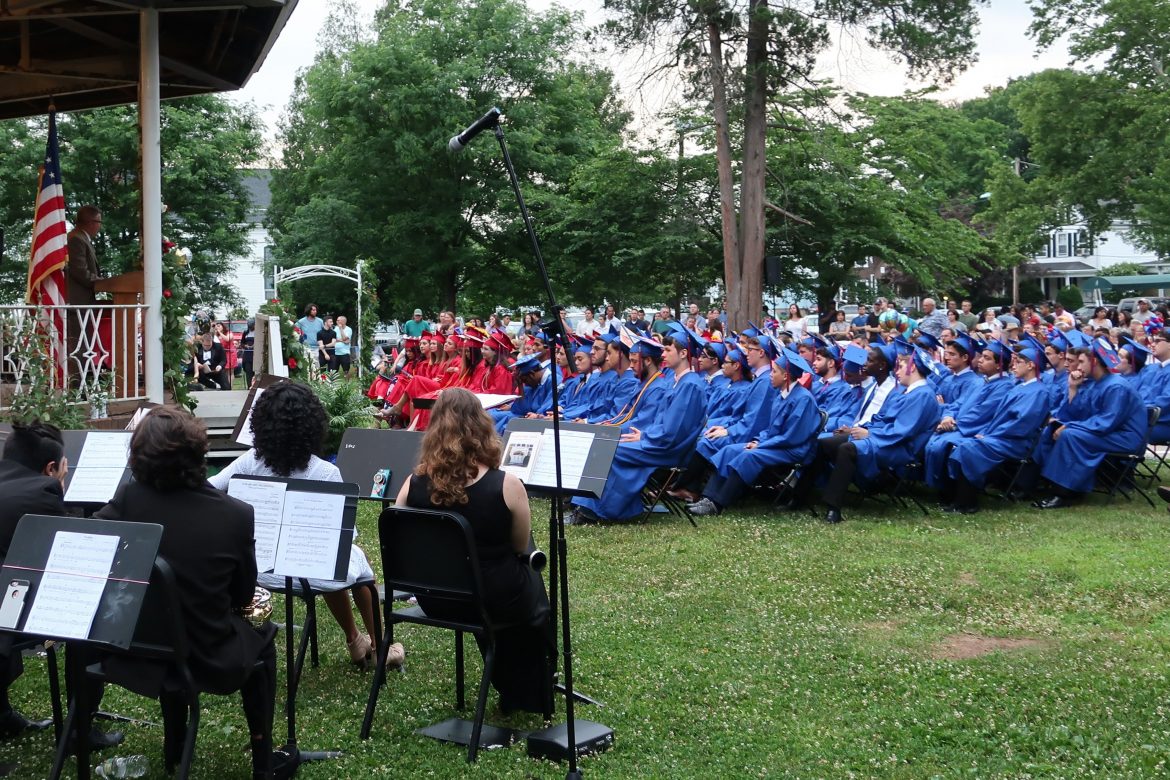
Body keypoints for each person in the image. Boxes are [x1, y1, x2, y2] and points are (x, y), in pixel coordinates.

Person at [94, 409, 276, 777]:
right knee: (265, 640)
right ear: (199, 452)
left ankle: (175, 743)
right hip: (204, 656)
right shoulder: (236, 514)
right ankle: (263, 754)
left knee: (171, 624)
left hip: (134, 651)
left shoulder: (127, 499)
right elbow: (243, 597)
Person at [209, 383, 398, 669]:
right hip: (310, 571)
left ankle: (355, 639)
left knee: (335, 559)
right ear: (312, 424)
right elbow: (344, 541)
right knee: (353, 559)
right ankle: (379, 643)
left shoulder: (248, 463)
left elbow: (210, 489)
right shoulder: (326, 472)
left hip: (258, 572)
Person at [394, 389, 551, 713]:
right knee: (527, 563)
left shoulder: (412, 483)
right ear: (482, 427)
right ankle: (532, 681)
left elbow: (400, 532)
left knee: (498, 572)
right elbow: (520, 546)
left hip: (436, 598)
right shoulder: (506, 484)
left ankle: (517, 678)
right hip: (491, 600)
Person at [568, 326, 707, 523]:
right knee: (606, 446)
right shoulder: (677, 382)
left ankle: (596, 511)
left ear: (684, 353)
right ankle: (589, 507)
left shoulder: (690, 385)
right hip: (658, 441)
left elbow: (674, 430)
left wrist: (644, 436)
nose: (663, 354)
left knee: (611, 450)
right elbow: (662, 422)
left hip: (668, 448)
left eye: (668, 350)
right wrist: (644, 434)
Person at [0, 425, 67, 742]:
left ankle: (2, 715)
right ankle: (79, 729)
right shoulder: (43, 491)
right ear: (51, 468)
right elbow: (65, 554)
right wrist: (59, 488)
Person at [295, 304, 324, 369]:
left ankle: (316, 379)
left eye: (316, 310)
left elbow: (324, 332)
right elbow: (294, 330)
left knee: (316, 367)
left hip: (317, 348)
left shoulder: (320, 321)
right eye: (313, 310)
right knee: (307, 367)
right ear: (309, 310)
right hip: (305, 348)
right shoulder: (301, 321)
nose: (315, 311)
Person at [240, 318, 256, 387]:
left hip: (255, 355)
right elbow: (242, 343)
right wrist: (245, 346)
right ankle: (249, 386)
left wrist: (254, 345)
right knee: (248, 372)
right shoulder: (245, 333)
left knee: (255, 372)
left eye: (252, 326)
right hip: (247, 355)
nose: (251, 327)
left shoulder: (258, 332)